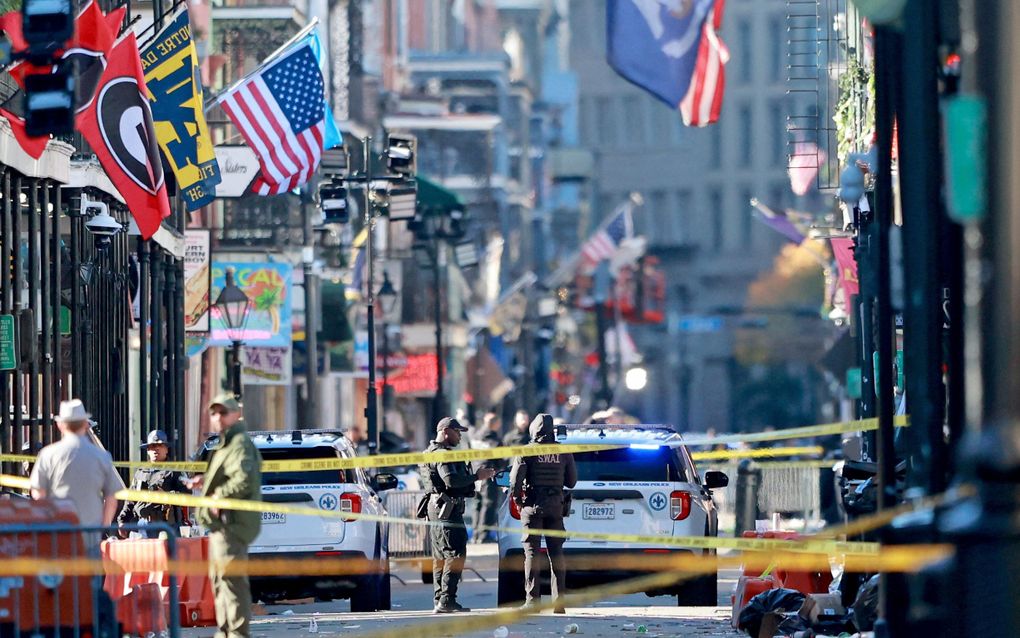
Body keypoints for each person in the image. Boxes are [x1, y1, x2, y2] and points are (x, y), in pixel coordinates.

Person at [185, 394, 262, 638]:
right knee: (220, 579)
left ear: (236, 414)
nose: (218, 417)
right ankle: (226, 630)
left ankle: (237, 632)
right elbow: (230, 476)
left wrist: (219, 495)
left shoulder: (239, 443)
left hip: (233, 522)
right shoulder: (225, 443)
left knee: (231, 580)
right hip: (222, 524)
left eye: (223, 412)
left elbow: (243, 480)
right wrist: (206, 481)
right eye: (214, 413)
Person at [420, 417, 496, 613]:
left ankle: (440, 599)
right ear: (445, 432)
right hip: (446, 510)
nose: (460, 436)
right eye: (457, 432)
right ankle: (446, 599)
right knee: (455, 554)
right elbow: (451, 481)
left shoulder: (430, 452)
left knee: (440, 556)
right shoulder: (442, 455)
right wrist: (476, 477)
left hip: (437, 508)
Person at [29, 399, 125, 549]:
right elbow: (112, 499)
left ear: (60, 425)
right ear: (85, 424)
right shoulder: (102, 456)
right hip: (90, 536)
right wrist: (103, 527)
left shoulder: (48, 455)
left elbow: (38, 494)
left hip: (58, 533)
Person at [510, 413, 577, 613]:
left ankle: (532, 601)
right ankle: (559, 603)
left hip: (532, 506)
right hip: (555, 507)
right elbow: (571, 482)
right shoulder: (564, 451)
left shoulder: (526, 451)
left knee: (531, 554)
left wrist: (518, 500)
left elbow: (515, 482)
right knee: (556, 555)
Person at [117, 429, 190, 538]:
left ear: (166, 449)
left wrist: (167, 496)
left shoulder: (175, 471)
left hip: (168, 526)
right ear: (147, 450)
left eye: (160, 446)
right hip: (143, 525)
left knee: (168, 555)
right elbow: (131, 499)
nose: (156, 449)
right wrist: (122, 520)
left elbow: (187, 495)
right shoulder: (140, 472)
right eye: (152, 446)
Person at [470, 411, 503, 544]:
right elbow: (500, 458)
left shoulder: (476, 436)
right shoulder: (493, 439)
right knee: (488, 504)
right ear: (495, 424)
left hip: (475, 473)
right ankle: (484, 535)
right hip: (488, 474)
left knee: (477, 504)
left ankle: (476, 534)